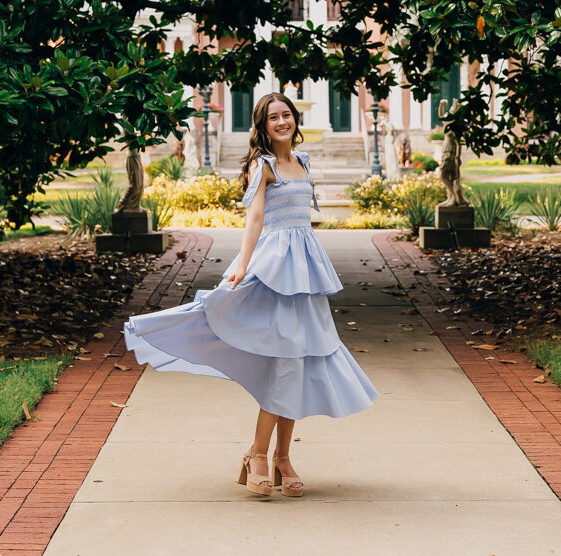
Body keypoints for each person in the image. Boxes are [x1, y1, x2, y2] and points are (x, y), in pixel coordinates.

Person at [123, 92, 378, 498]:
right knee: (285, 363)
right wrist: (242, 265)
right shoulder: (265, 165)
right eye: (273, 117)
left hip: (306, 272)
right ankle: (260, 455)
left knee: (300, 360)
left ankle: (280, 458)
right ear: (262, 126)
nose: (282, 121)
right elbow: (255, 217)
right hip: (275, 268)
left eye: (286, 115)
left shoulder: (303, 162)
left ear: (296, 119)